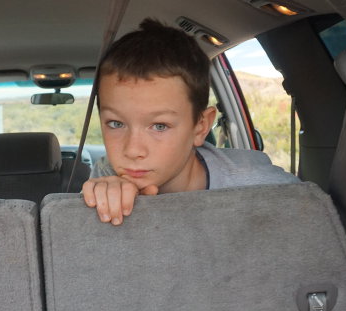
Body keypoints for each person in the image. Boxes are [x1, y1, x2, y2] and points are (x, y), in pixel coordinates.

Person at [83, 18, 299, 225]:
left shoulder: (262, 187)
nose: (132, 150)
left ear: (201, 127)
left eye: (160, 126)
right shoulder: (106, 173)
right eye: (116, 124)